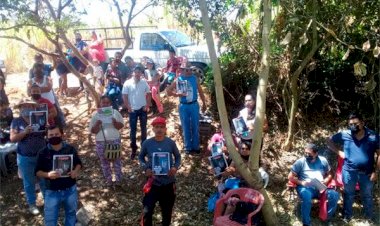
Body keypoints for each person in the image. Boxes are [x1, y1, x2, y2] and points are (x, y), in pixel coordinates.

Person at [327, 113, 379, 222]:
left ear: (363, 123)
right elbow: (329, 140)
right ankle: (347, 216)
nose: (353, 126)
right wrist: (338, 151)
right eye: (350, 124)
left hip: (367, 173)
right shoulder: (345, 134)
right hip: (349, 172)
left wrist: (376, 171)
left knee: (367, 195)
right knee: (348, 194)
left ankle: (369, 217)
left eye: (356, 124)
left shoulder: (373, 136)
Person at [35, 125, 82, 226]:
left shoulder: (70, 149)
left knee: (71, 214)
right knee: (50, 220)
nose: (54, 136)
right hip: (51, 191)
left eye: (56, 134)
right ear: (47, 137)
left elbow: (78, 164)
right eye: (51, 135)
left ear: (62, 135)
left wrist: (75, 171)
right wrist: (47, 174)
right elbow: (37, 171)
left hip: (70, 189)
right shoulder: (42, 152)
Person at [139, 116, 181, 226]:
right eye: (157, 127)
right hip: (153, 182)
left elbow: (178, 157)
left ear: (165, 129)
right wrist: (146, 168)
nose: (159, 129)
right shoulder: (147, 143)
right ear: (153, 129)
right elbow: (141, 157)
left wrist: (175, 168)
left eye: (162, 127)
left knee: (167, 212)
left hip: (168, 183)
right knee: (147, 211)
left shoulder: (170, 143)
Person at [288, 143, 339, 226]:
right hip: (306, 187)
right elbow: (290, 177)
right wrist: (301, 182)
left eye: (309, 154)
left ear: (316, 153)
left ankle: (327, 218)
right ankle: (306, 223)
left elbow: (330, 174)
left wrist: (325, 181)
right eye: (305, 153)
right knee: (306, 196)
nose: (306, 155)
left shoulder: (323, 160)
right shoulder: (300, 162)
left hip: (320, 187)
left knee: (334, 195)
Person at [10, 98, 46, 215]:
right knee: (29, 182)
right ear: (20, 109)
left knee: (44, 179)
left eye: (30, 106)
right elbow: (13, 138)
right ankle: (32, 204)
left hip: (41, 155)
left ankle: (48, 200)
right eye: (24, 106)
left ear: (34, 108)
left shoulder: (40, 118)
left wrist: (47, 128)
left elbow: (48, 134)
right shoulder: (16, 121)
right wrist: (24, 132)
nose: (27, 108)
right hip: (25, 157)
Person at [166, 63, 206, 154]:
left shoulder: (194, 79)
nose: (189, 71)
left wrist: (204, 103)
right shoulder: (178, 79)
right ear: (182, 70)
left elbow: (200, 91)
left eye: (190, 69)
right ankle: (188, 147)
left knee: (195, 125)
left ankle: (196, 146)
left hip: (194, 105)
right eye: (186, 70)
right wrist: (176, 94)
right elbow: (168, 91)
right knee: (185, 126)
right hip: (183, 106)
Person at [89, 96, 124, 186]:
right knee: (104, 162)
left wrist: (115, 123)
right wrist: (97, 124)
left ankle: (119, 180)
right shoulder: (95, 115)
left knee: (117, 161)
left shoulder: (115, 113)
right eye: (103, 102)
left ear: (110, 104)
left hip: (114, 140)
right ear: (100, 103)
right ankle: (108, 180)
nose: (105, 104)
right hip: (101, 141)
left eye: (107, 102)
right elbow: (93, 131)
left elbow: (121, 126)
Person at [122, 65, 151, 159]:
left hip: (142, 109)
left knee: (143, 129)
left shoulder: (144, 83)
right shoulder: (127, 83)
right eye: (136, 72)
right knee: (133, 130)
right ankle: (133, 149)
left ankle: (144, 149)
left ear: (141, 73)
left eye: (139, 72)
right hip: (133, 110)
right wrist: (128, 107)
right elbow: (124, 96)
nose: (138, 74)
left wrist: (147, 105)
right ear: (133, 72)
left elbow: (149, 93)